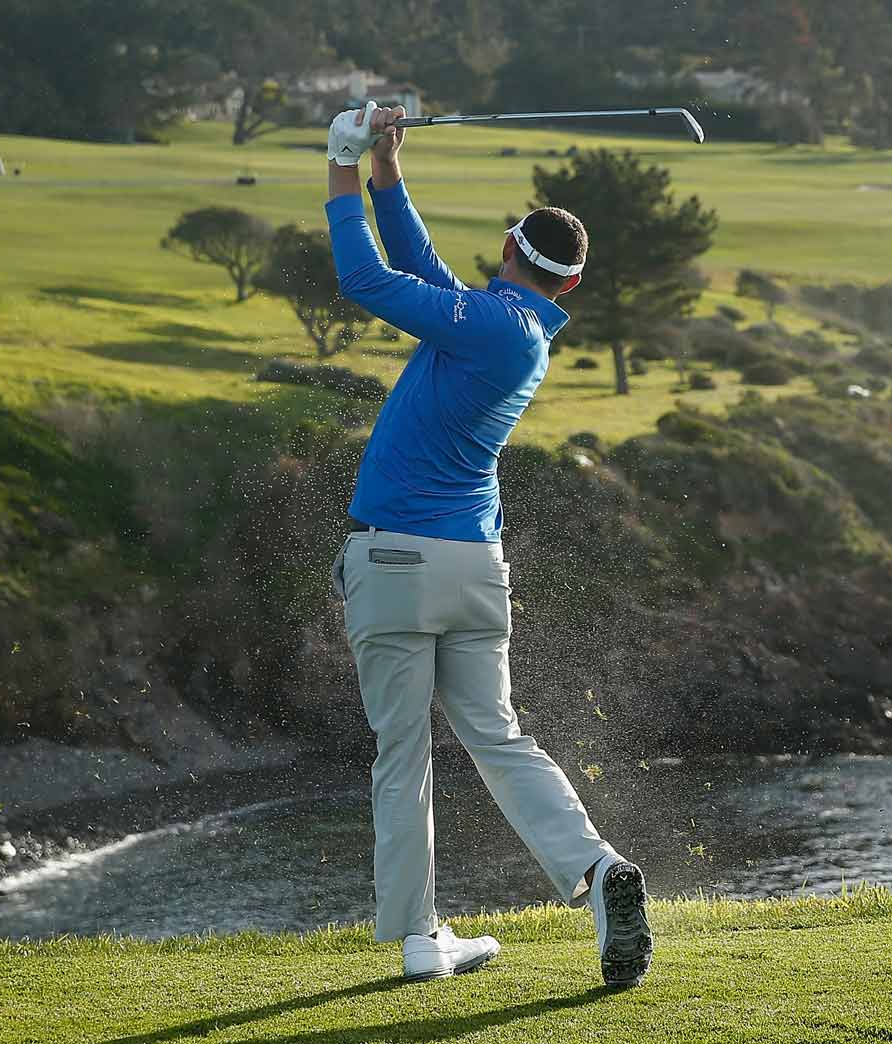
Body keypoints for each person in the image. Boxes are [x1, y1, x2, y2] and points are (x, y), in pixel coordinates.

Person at [322, 102, 652, 987]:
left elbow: (367, 279)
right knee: (499, 737)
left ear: (509, 247)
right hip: (473, 567)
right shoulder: (519, 331)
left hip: (394, 561)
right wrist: (387, 170)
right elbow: (421, 267)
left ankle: (420, 940)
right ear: (569, 285)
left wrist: (341, 167)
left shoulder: (485, 325)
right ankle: (596, 871)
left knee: (403, 756)